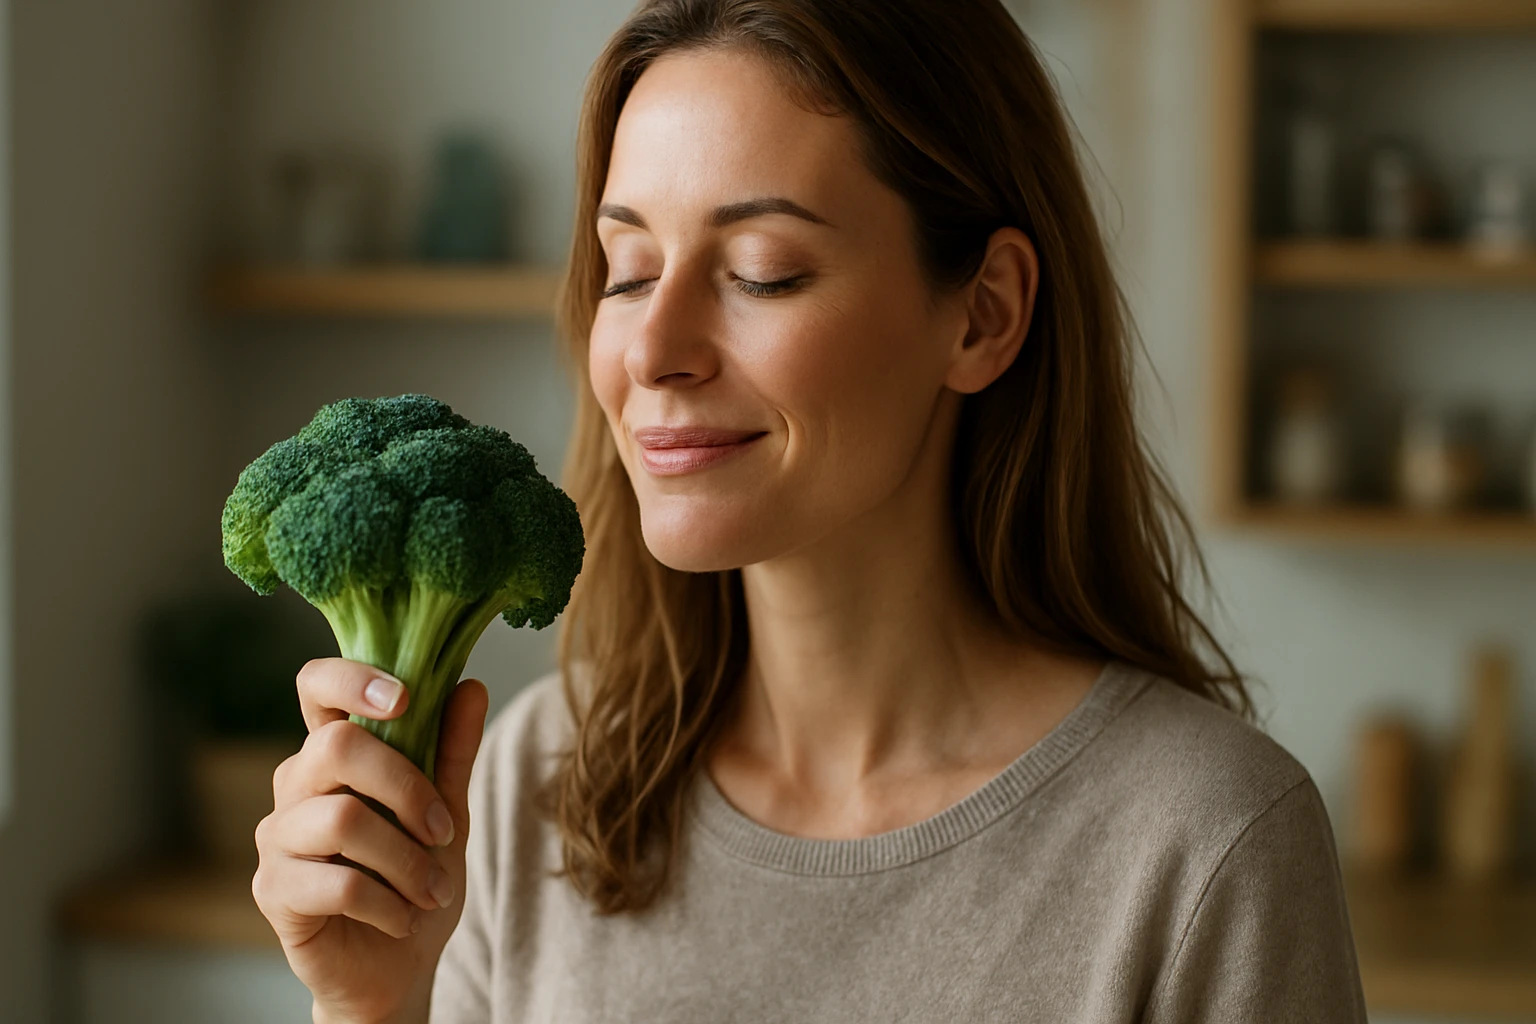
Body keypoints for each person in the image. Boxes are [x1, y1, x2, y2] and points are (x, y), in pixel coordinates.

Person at [252, 1, 1369, 1021]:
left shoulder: (1208, 846)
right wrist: (373, 1006)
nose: (653, 347)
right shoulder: (532, 780)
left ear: (982, 315)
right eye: (629, 268)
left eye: (763, 271)